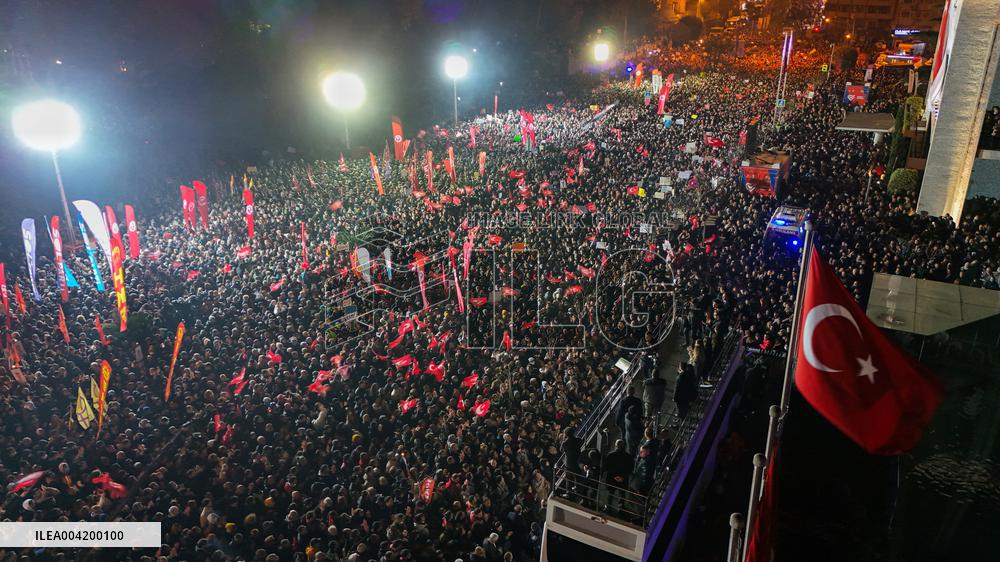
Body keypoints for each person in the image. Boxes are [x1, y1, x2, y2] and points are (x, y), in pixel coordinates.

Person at [604, 440, 634, 513]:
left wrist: (614, 476)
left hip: (611, 477)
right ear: (624, 446)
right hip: (623, 479)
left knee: (610, 493)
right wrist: (622, 477)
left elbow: (607, 467)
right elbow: (630, 469)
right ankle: (621, 508)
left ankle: (608, 507)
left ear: (615, 445)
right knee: (622, 494)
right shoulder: (628, 456)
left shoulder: (610, 455)